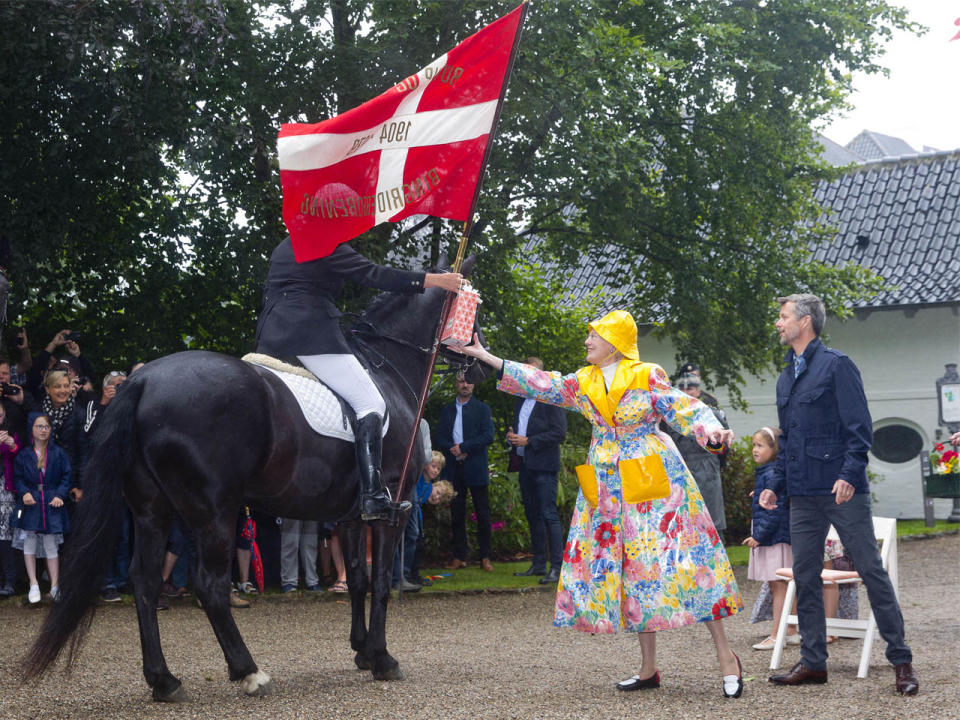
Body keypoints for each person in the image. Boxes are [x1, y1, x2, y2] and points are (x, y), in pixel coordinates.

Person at [459, 310, 744, 698]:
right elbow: (541, 382)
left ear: (614, 341)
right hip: (609, 481)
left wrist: (713, 432)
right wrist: (488, 357)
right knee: (632, 569)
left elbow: (685, 409)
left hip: (653, 478)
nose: (587, 341)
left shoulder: (646, 374)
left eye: (594, 335)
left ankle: (728, 659)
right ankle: (648, 669)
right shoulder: (583, 381)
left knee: (689, 562)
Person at [759, 293, 918, 695]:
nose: (778, 323)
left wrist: (849, 474)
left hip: (841, 490)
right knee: (806, 578)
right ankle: (814, 663)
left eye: (783, 316)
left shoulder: (837, 366)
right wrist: (773, 486)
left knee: (871, 571)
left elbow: (860, 428)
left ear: (806, 321)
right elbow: (789, 440)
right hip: (803, 493)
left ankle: (901, 661)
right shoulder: (786, 377)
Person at [254, 237, 462, 520]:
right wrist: (435, 281)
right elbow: (375, 275)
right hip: (309, 335)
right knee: (371, 403)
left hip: (271, 337)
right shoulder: (325, 243)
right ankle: (372, 495)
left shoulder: (284, 245)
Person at [508, 357, 567, 584]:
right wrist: (512, 438)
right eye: (525, 372)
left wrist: (529, 440)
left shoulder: (551, 399)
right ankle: (539, 564)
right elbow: (520, 431)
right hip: (525, 465)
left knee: (548, 514)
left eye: (533, 372)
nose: (529, 376)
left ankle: (557, 567)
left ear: (542, 374)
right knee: (533, 516)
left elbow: (559, 433)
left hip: (544, 466)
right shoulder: (520, 400)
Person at [742, 426, 799, 650]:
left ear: (775, 449)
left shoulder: (772, 473)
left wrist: (759, 536)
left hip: (773, 538)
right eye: (754, 445)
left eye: (760, 445)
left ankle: (777, 635)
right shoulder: (774, 471)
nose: (754, 449)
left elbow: (774, 510)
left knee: (779, 586)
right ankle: (792, 630)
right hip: (778, 536)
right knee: (785, 584)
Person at [435, 375, 495, 571]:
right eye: (461, 381)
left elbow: (488, 435)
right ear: (456, 384)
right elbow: (440, 437)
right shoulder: (447, 410)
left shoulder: (482, 409)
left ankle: (485, 557)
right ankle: (459, 556)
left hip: (475, 465)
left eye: (469, 381)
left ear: (474, 384)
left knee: (483, 513)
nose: (465, 384)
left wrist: (465, 447)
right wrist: (453, 448)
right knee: (457, 513)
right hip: (453, 467)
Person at [661, 372, 729, 541]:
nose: (686, 392)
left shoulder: (712, 414)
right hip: (681, 471)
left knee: (712, 524)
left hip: (707, 471)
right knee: (684, 525)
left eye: (690, 389)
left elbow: (723, 449)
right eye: (682, 389)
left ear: (698, 391)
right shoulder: (669, 418)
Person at [11, 413, 71, 604]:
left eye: (46, 426)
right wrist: (24, 492)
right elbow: (17, 478)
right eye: (39, 426)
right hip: (31, 503)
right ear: (32, 429)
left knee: (51, 544)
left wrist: (60, 495)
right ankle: (34, 584)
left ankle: (55, 586)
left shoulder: (58, 453)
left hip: (51, 503)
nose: (43, 430)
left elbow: (66, 476)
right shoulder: (24, 455)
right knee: (29, 543)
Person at [84, 370, 130, 602]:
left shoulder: (129, 410)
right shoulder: (95, 404)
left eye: (123, 385)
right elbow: (89, 434)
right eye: (115, 385)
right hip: (100, 482)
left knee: (123, 535)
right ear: (105, 387)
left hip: (123, 482)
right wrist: (104, 402)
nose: (119, 389)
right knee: (105, 535)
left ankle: (122, 580)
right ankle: (106, 582)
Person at [40, 370, 87, 505]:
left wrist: (80, 486)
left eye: (66, 386)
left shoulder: (79, 414)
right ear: (47, 389)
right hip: (44, 481)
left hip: (70, 483)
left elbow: (84, 452)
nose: (63, 390)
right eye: (57, 386)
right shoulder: (39, 414)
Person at [0, 402, 22, 596]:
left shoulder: (10, 432)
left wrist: (12, 444)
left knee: (6, 536)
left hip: (5, 490)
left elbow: (18, 453)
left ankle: (10, 581)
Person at [278, 515, 321, 594]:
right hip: (290, 505)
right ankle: (289, 582)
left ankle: (312, 581)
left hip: (312, 505)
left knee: (311, 543)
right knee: (290, 541)